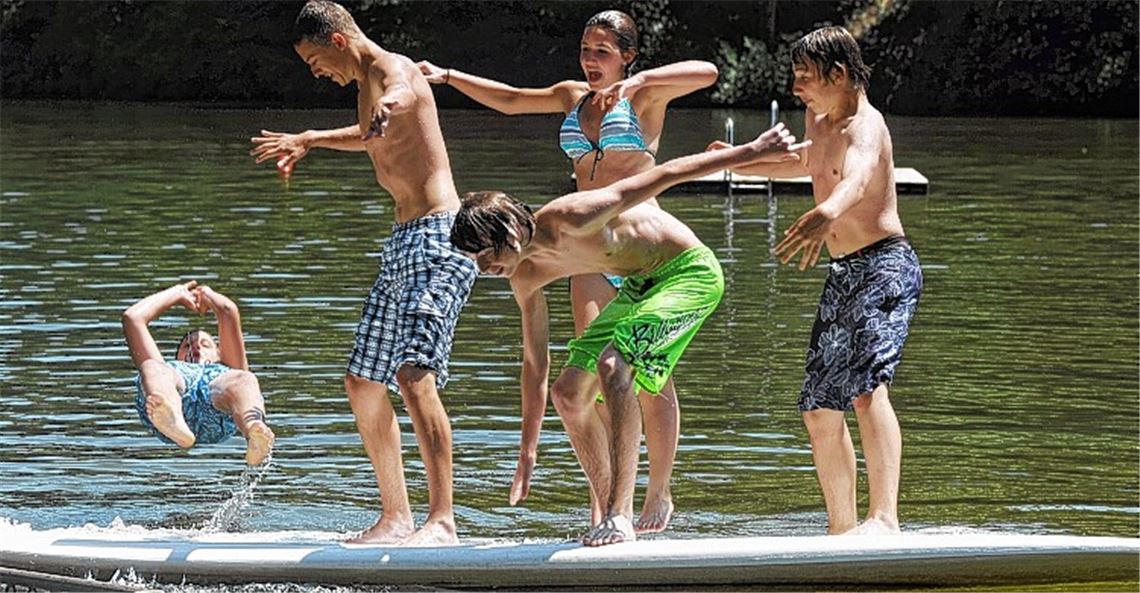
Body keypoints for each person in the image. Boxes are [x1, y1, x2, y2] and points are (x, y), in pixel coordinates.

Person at [415, 9, 719, 534]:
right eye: (585, 49)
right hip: (585, 251)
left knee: (648, 376)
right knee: (587, 379)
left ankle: (657, 494)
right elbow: (510, 100)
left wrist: (643, 80)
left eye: (603, 51)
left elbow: (708, 72)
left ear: (627, 55)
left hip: (634, 237)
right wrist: (447, 77)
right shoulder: (570, 96)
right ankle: (605, 502)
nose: (590, 59)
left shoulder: (642, 96)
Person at [450, 124, 807, 546]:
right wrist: (528, 449)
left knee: (613, 365)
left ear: (508, 234)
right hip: (640, 286)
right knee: (568, 393)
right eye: (473, 260)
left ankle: (621, 514)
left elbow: (667, 174)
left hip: (688, 273)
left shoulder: (573, 216)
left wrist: (751, 151)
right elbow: (535, 363)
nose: (481, 268)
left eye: (484, 256)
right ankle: (608, 512)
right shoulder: (524, 276)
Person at [250, 0, 478, 545]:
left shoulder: (390, 71)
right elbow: (369, 132)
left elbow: (401, 94)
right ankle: (396, 517)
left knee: (413, 374)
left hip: (438, 238)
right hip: (402, 242)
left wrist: (387, 106)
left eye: (314, 62)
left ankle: (441, 520)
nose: (317, 74)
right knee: (362, 381)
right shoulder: (363, 89)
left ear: (336, 41)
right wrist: (310, 139)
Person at [708, 26, 923, 535]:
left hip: (886, 265)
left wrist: (825, 213)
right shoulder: (818, 118)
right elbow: (809, 161)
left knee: (868, 391)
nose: (798, 87)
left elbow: (857, 176)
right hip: (844, 272)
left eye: (806, 78)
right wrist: (741, 162)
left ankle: (884, 519)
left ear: (840, 75)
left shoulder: (867, 125)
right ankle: (842, 530)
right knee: (820, 408)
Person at [122, 281, 275, 466]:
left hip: (220, 405)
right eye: (188, 345)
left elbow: (227, 310)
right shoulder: (171, 369)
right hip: (173, 398)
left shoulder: (226, 369)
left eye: (205, 344)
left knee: (245, 378)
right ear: (178, 355)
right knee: (151, 367)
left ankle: (254, 432)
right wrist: (177, 292)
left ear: (219, 354)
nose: (196, 347)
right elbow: (132, 317)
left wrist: (206, 293)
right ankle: (173, 420)